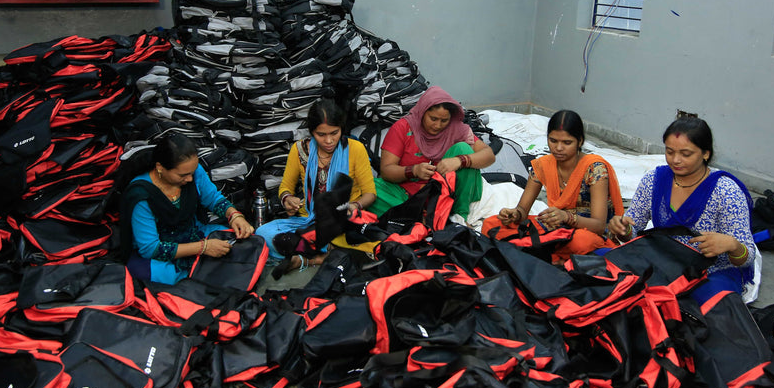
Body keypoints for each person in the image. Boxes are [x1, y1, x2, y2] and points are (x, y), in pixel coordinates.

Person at [606, 116, 758, 302]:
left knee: (710, 304)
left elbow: (747, 256)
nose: (676, 160)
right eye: (669, 152)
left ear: (705, 154)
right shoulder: (654, 180)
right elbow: (633, 230)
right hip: (663, 260)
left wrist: (732, 245)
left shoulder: (726, 192)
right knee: (606, 270)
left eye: (686, 154)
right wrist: (623, 229)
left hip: (710, 271)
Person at [256, 99, 376, 275]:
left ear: (342, 128)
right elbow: (285, 187)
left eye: (334, 133)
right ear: (312, 132)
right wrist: (288, 199)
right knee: (263, 234)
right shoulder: (299, 150)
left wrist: (354, 205)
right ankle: (329, 253)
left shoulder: (355, 149)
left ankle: (310, 257)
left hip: (343, 221)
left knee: (358, 234)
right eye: (321, 134)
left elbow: (370, 193)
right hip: (309, 220)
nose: (329, 140)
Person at [118, 133, 254, 284]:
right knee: (153, 274)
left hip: (194, 233)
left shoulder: (193, 171)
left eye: (192, 173)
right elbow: (150, 248)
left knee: (243, 242)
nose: (189, 179)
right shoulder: (141, 196)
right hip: (160, 252)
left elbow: (212, 198)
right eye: (182, 175)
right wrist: (203, 248)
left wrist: (234, 215)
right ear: (160, 168)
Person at [490, 109, 623, 260]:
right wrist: (514, 214)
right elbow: (522, 210)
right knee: (492, 224)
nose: (558, 148)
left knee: (580, 242)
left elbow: (599, 226)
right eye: (553, 141)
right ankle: (549, 254)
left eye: (567, 142)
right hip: (557, 228)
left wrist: (567, 217)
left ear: (580, 141)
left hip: (588, 233)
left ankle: (538, 252)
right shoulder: (543, 165)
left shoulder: (595, 169)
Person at [373, 86, 495, 218]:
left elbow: (488, 155)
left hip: (445, 195)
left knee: (463, 149)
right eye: (433, 119)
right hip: (405, 193)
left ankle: (459, 216)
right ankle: (421, 216)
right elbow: (386, 170)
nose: (438, 125)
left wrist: (459, 161)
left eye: (444, 121)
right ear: (422, 112)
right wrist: (413, 171)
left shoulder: (456, 130)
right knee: (370, 189)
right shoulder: (403, 128)